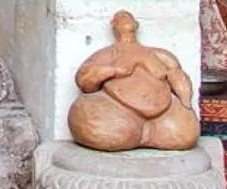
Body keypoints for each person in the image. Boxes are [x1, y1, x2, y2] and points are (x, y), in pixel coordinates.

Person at [68, 10, 198, 151]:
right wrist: (112, 70)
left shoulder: (160, 54)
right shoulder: (105, 55)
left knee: (186, 134)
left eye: (128, 17)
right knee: (89, 115)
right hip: (117, 113)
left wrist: (185, 100)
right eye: (121, 17)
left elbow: (178, 75)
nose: (126, 20)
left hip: (162, 116)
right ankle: (129, 132)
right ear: (113, 26)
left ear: (136, 25)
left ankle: (152, 132)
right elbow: (84, 82)